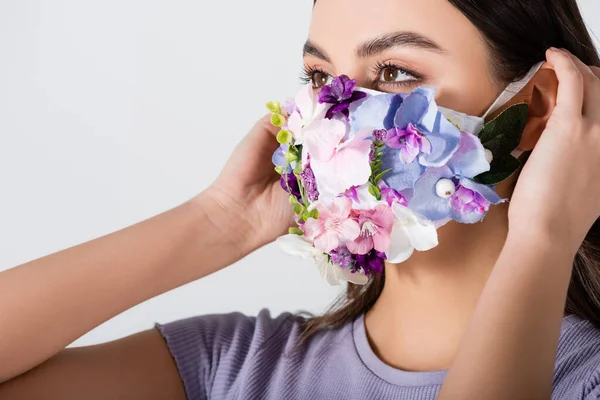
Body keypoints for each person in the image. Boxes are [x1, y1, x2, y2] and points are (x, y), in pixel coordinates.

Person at [1, 0, 600, 398]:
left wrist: (541, 242)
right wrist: (220, 222)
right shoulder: (234, 368)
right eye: (319, 78)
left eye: (393, 71)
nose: (338, 113)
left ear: (539, 107)